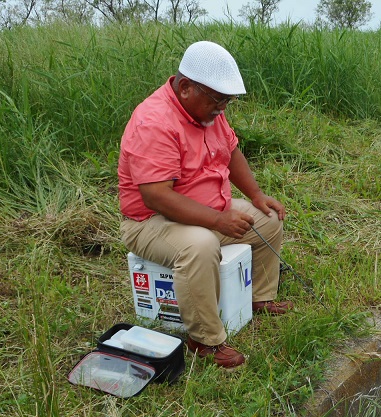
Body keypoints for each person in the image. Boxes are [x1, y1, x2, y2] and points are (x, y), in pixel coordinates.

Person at [118, 40, 292, 370]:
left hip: (205, 209)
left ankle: (259, 298)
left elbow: (232, 151)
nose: (223, 108)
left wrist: (256, 195)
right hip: (151, 221)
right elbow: (157, 196)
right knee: (200, 246)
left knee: (266, 219)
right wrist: (216, 220)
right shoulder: (154, 122)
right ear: (185, 88)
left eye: (227, 101)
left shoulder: (207, 113)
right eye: (218, 99)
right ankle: (205, 340)